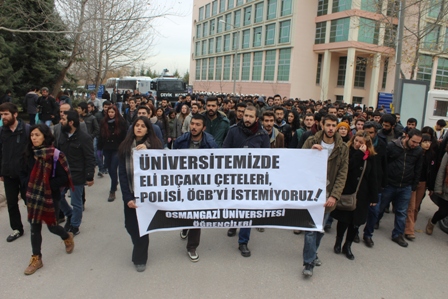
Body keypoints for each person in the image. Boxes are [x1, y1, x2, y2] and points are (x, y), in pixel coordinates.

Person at [21, 124, 75, 275]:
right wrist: (27, 185)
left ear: (45, 136)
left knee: (52, 227)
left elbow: (63, 178)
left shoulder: (55, 155)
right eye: (32, 135)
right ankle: (36, 258)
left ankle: (66, 236)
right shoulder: (28, 153)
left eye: (37, 135)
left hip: (51, 196)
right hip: (33, 196)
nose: (34, 138)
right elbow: (23, 173)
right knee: (34, 226)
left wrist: (46, 185)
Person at [301, 114, 349, 277]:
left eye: (333, 125)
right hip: (312, 194)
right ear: (321, 125)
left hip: (328, 196)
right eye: (327, 125)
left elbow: (343, 173)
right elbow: (299, 162)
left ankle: (313, 253)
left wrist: (334, 196)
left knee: (320, 230)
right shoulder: (310, 141)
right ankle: (308, 263)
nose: (330, 128)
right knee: (310, 229)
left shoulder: (342, 147)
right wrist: (310, 153)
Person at [222, 106, 270, 257]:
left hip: (252, 179)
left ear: (257, 119)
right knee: (235, 204)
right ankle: (234, 223)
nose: (247, 119)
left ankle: (243, 241)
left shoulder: (263, 135)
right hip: (234, 176)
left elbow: (267, 159)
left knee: (247, 209)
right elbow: (224, 150)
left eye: (251, 116)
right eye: (245, 115)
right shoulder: (233, 130)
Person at [118, 117, 162, 272]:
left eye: (143, 126)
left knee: (142, 226)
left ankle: (140, 258)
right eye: (137, 125)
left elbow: (163, 167)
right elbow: (122, 173)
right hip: (131, 192)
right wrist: (127, 197)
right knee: (130, 225)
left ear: (148, 129)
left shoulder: (155, 146)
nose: (139, 128)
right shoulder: (125, 147)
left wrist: (149, 152)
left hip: (147, 196)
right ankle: (139, 247)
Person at [174, 114, 218, 262]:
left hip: (201, 185)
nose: (194, 127)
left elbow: (216, 165)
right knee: (185, 212)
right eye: (192, 124)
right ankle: (185, 227)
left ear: (203, 128)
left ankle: (192, 246)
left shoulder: (211, 143)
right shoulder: (180, 142)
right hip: (184, 183)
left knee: (197, 215)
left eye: (198, 124)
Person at [331, 130, 378, 260]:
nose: (357, 144)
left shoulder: (371, 157)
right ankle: (338, 242)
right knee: (344, 220)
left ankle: (348, 245)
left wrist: (374, 196)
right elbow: (348, 168)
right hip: (347, 191)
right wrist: (358, 154)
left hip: (362, 195)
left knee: (355, 223)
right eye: (356, 141)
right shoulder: (348, 152)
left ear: (367, 144)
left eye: (360, 142)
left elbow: (373, 177)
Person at [373, 129, 423, 247]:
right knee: (381, 206)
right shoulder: (392, 146)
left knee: (401, 211)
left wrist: (414, 185)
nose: (415, 145)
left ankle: (398, 234)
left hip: (406, 185)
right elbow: (384, 164)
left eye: (418, 143)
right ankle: (375, 222)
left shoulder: (418, 151)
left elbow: (418, 168)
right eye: (414, 141)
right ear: (407, 137)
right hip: (390, 183)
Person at [55, 111, 95, 235]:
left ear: (71, 122)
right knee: (58, 196)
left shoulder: (84, 138)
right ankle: (69, 214)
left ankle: (75, 225)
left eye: (63, 119)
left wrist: (89, 176)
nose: (61, 121)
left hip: (77, 174)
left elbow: (89, 157)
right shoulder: (62, 135)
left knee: (76, 202)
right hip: (62, 174)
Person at [0, 103, 30, 242]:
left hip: (25, 173)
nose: (3, 117)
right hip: (8, 173)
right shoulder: (2, 132)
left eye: (6, 114)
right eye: (1, 114)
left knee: (28, 199)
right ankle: (17, 228)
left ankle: (34, 222)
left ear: (15, 114)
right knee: (11, 202)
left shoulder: (26, 130)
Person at [404, 134, 437, 240]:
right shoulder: (415, 153)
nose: (427, 144)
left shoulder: (431, 155)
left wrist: (431, 187)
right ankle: (409, 229)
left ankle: (410, 225)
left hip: (423, 183)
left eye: (429, 142)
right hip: (412, 181)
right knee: (411, 207)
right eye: (425, 142)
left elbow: (432, 172)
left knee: (416, 207)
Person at [98, 106, 127, 202]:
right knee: (109, 168)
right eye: (109, 112)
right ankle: (115, 182)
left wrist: (124, 147)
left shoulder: (121, 122)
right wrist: (99, 148)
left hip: (117, 148)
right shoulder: (103, 122)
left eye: (112, 112)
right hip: (107, 148)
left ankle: (112, 190)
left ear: (116, 112)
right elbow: (100, 135)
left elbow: (125, 136)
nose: (111, 114)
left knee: (114, 168)